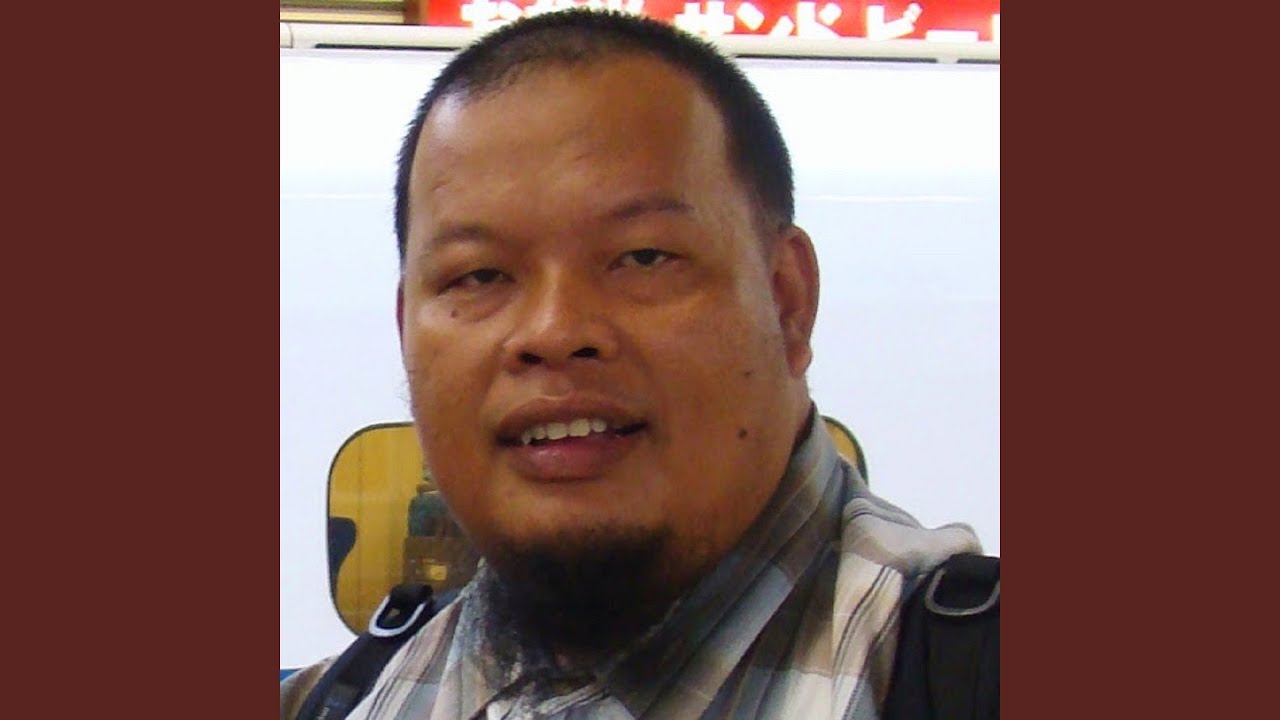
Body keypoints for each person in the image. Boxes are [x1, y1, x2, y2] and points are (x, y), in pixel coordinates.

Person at [282, 8, 988, 719]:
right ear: (405, 329)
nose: (554, 332)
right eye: (479, 275)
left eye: (644, 257)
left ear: (787, 301)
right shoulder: (337, 703)